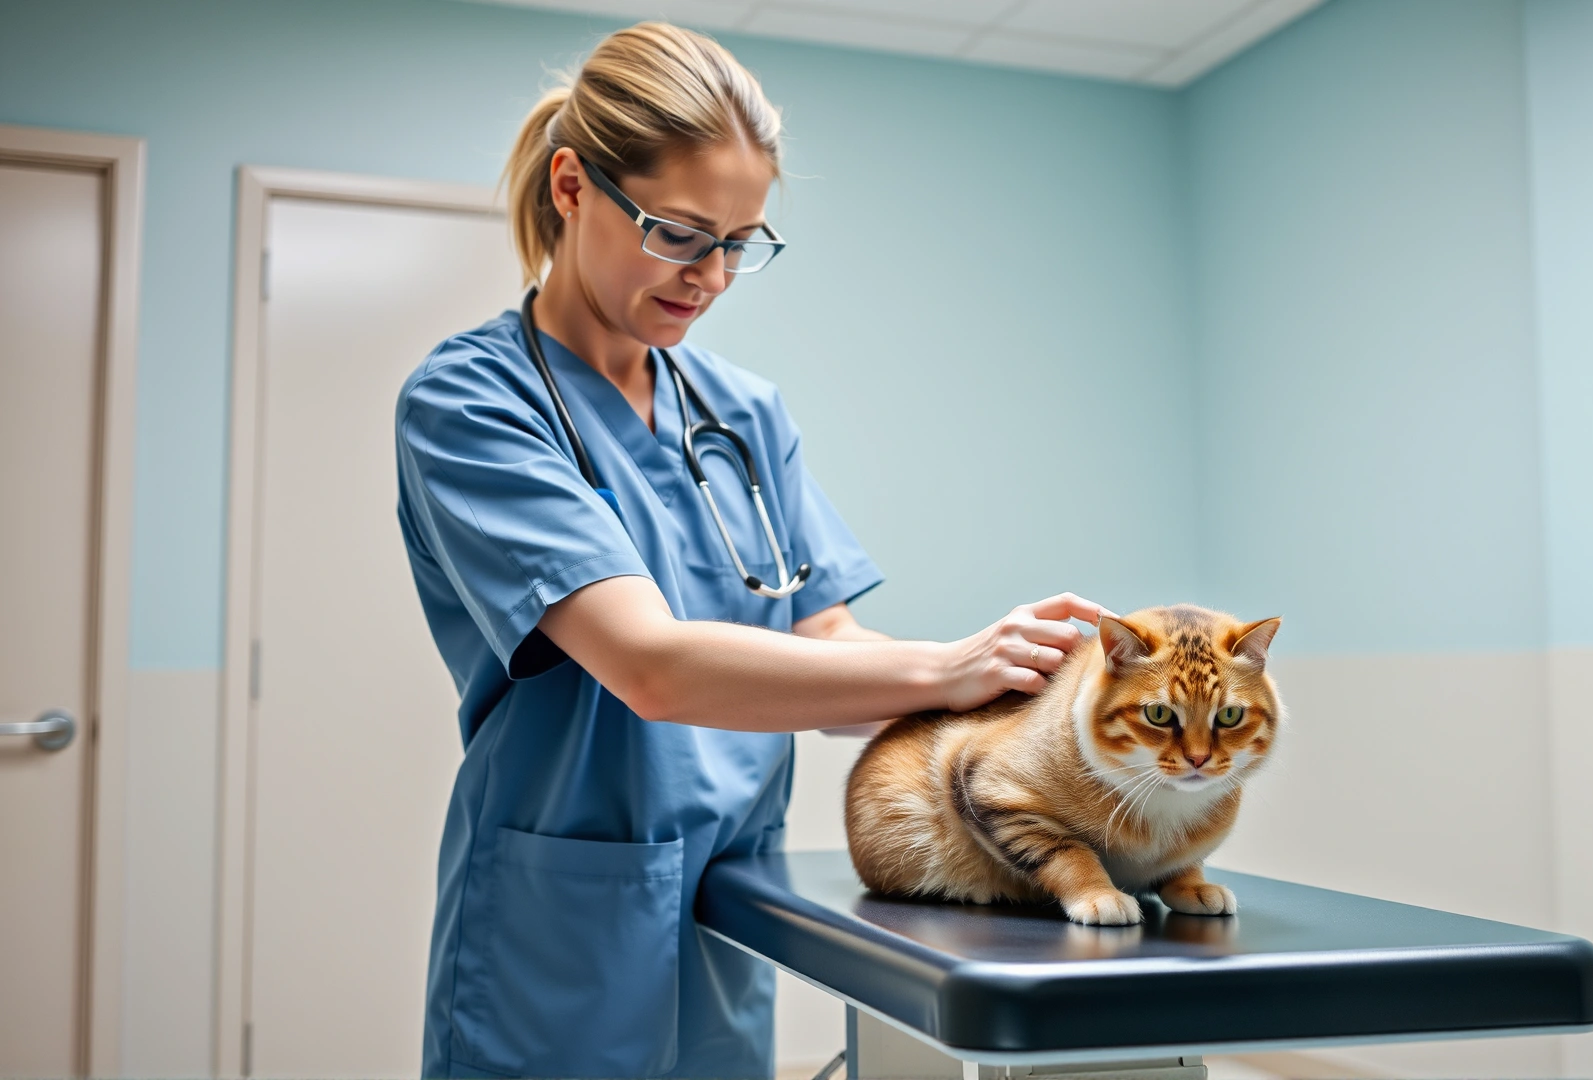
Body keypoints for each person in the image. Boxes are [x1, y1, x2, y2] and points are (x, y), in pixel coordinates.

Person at [394, 23, 1108, 1080]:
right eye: (682, 234)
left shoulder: (742, 413)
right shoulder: (470, 402)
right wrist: (949, 666)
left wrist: (1012, 693)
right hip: (560, 925)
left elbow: (828, 652)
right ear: (572, 187)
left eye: (741, 241)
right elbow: (650, 665)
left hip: (730, 904)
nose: (714, 276)